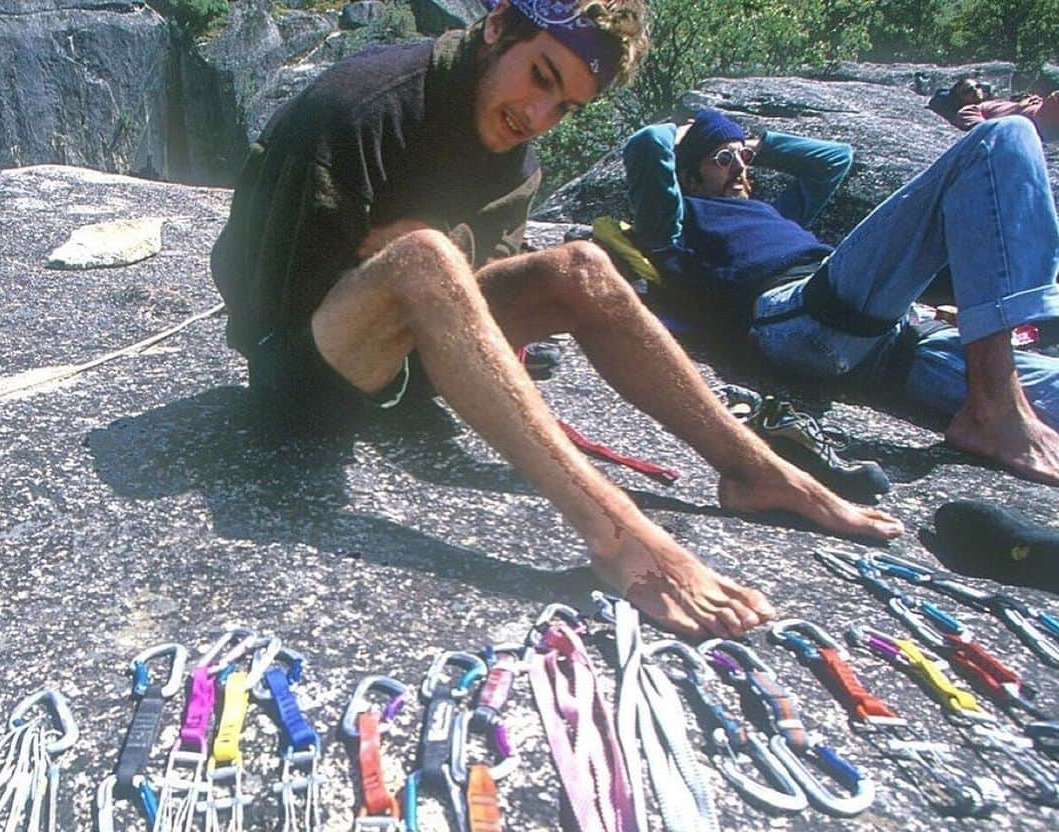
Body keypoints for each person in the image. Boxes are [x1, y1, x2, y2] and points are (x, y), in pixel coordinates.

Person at [210, 0, 902, 640]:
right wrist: (409, 270)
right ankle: (619, 537)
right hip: (302, 370)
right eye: (539, 76)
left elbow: (476, 285)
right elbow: (264, 304)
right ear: (498, 25)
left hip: (415, 353)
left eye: (565, 105)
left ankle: (761, 472)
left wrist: (431, 269)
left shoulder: (517, 161)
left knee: (582, 268)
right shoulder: (360, 106)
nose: (538, 115)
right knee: (423, 259)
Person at [623, 108, 1059, 485]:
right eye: (722, 159)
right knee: (1004, 136)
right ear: (687, 175)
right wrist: (684, 131)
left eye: (744, 158)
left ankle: (992, 402)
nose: (740, 167)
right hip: (803, 313)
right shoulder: (680, 224)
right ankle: (996, 404)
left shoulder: (776, 211)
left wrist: (755, 144)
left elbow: (834, 160)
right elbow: (647, 143)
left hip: (891, 347)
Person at [929, 77, 1059, 142]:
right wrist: (1019, 107)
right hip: (1038, 118)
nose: (975, 90)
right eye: (968, 90)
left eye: (977, 86)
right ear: (959, 99)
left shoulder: (999, 101)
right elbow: (987, 129)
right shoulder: (970, 109)